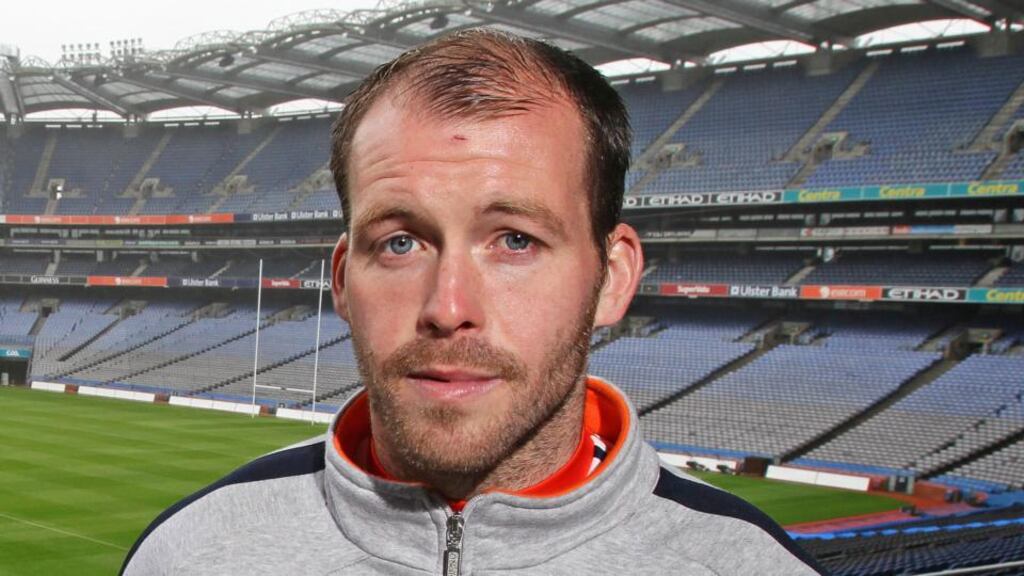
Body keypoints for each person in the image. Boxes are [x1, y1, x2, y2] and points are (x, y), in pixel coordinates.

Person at [121, 29, 825, 575]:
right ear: (342, 280)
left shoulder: (747, 564)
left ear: (611, 277)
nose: (448, 306)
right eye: (400, 244)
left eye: (514, 240)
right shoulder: (187, 554)